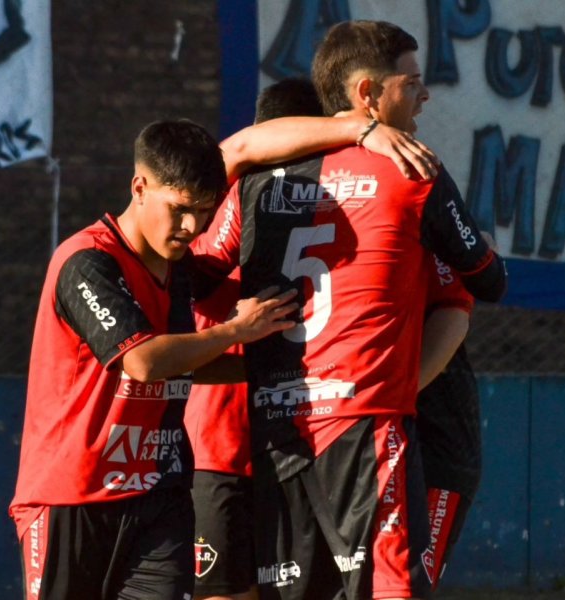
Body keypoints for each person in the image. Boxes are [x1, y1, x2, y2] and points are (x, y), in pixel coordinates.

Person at [193, 19, 507, 600]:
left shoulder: (249, 188)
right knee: (389, 589)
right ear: (366, 94)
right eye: (412, 82)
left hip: (279, 422)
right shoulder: (412, 171)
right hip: (365, 421)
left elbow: (195, 269)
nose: (424, 94)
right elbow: (487, 280)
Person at [8, 119, 300, 600]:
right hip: (71, 496)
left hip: (158, 492)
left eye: (203, 213)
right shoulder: (85, 261)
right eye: (180, 209)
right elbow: (142, 360)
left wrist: (272, 368)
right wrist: (234, 332)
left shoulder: (179, 268)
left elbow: (185, 363)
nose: (192, 227)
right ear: (139, 187)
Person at [185, 78, 326, 600]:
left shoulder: (333, 195)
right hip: (221, 440)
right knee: (224, 590)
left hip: (293, 436)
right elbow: (192, 278)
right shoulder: (232, 194)